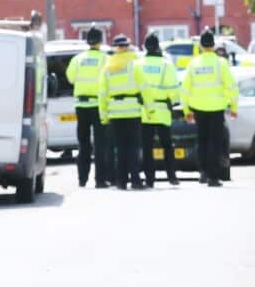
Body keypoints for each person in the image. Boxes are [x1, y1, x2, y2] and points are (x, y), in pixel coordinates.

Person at [182, 31, 237, 187]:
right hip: (217, 108)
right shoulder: (221, 63)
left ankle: (204, 173)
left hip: (198, 108)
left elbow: (185, 89)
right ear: (213, 46)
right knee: (215, 142)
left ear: (200, 46)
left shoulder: (193, 64)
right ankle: (213, 177)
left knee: (202, 140)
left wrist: (186, 110)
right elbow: (231, 86)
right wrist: (234, 106)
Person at [98, 34, 147, 190]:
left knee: (120, 148)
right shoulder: (135, 64)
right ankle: (135, 180)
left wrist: (103, 115)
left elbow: (102, 94)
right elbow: (144, 88)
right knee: (133, 147)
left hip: (115, 112)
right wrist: (149, 109)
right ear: (127, 47)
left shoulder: (107, 68)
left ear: (114, 48)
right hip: (132, 111)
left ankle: (121, 181)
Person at [65, 29, 110, 187]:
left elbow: (70, 78)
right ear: (100, 41)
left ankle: (82, 179)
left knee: (83, 144)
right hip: (98, 106)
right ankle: (100, 180)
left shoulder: (78, 59)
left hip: (81, 106)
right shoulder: (105, 59)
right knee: (100, 144)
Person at [137, 33, 180, 187]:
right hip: (162, 110)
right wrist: (174, 102)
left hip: (144, 110)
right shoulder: (167, 65)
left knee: (147, 147)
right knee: (167, 145)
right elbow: (174, 89)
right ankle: (172, 177)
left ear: (145, 47)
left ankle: (150, 180)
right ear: (158, 46)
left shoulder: (138, 64)